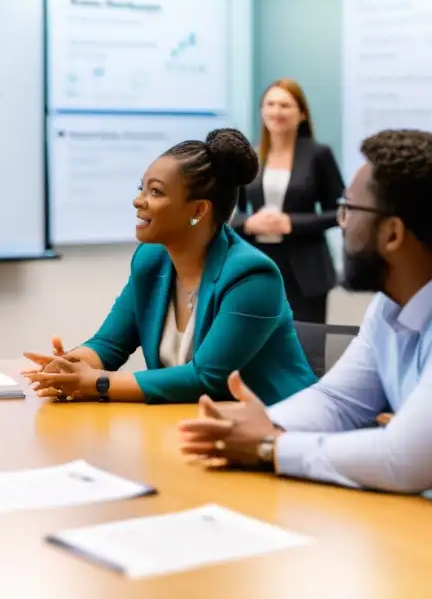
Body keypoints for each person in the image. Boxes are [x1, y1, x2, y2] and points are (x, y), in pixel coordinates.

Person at [177, 129, 432, 494]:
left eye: (349, 210)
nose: (342, 225)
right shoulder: (389, 304)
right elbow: (339, 400)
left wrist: (270, 447)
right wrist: (265, 424)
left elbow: (404, 458)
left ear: (392, 234)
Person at [24, 128, 317, 406]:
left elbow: (206, 378)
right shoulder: (151, 260)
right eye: (142, 188)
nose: (138, 201)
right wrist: (72, 366)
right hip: (191, 424)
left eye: (155, 192)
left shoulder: (252, 276)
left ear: (199, 210)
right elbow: (109, 345)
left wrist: (98, 383)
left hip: (278, 429)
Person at [232, 79, 344, 323]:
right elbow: (228, 213)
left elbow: (339, 212)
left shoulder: (319, 154)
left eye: (285, 105)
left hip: (307, 271)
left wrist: (290, 222)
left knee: (306, 350)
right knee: (258, 348)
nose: (276, 111)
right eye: (270, 104)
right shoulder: (249, 156)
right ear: (262, 111)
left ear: (301, 113)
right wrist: (249, 223)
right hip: (258, 265)